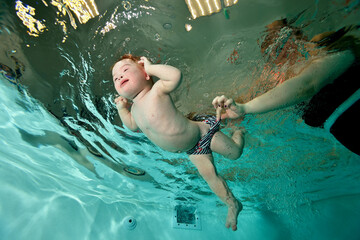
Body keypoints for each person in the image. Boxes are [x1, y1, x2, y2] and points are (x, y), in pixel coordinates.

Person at [112, 54, 245, 231]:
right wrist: (122, 109)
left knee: (235, 153)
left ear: (145, 74)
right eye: (115, 77)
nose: (119, 76)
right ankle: (232, 204)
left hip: (203, 132)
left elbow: (176, 76)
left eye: (125, 70)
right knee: (210, 176)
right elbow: (131, 125)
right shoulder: (135, 110)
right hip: (193, 150)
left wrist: (150, 67)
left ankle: (239, 132)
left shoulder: (157, 90)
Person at [212, 19, 360, 155]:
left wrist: (246, 108)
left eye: (281, 37)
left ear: (296, 34)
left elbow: (308, 85)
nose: (277, 46)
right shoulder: (278, 78)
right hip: (345, 131)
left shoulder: (324, 46)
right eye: (269, 43)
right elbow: (238, 105)